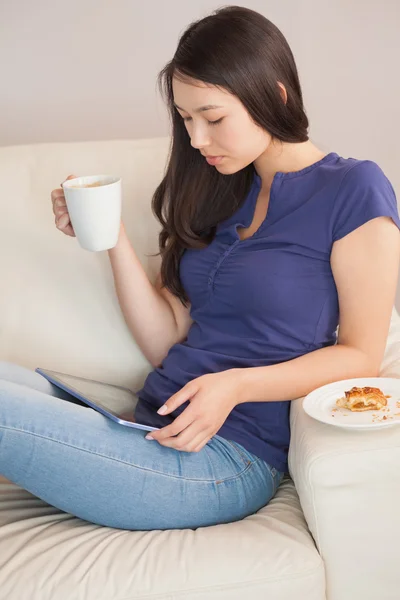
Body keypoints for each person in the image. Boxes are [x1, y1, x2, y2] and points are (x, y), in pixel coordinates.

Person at [1, 6, 399, 531]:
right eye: (186, 120)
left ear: (274, 97)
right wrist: (110, 236)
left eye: (212, 118)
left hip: (223, 461)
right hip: (146, 428)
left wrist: (235, 385)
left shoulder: (353, 190)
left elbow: (361, 356)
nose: (196, 140)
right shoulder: (223, 191)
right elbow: (170, 339)